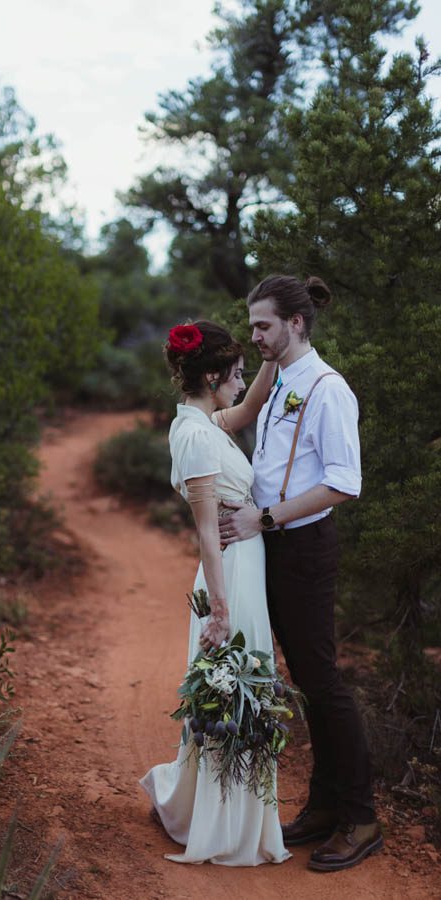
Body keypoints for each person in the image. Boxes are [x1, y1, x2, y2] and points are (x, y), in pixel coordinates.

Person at [218, 274, 383, 873]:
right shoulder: (282, 373)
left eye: (264, 325)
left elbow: (344, 483)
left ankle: (361, 818)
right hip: (276, 546)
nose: (254, 335)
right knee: (309, 682)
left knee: (325, 683)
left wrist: (262, 517)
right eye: (252, 324)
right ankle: (323, 805)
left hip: (304, 545)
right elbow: (240, 415)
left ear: (296, 322)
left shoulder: (328, 389)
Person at [139, 320, 290, 866]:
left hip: (245, 565)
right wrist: (220, 612)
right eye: (235, 372)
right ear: (210, 375)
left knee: (244, 691)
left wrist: (272, 355)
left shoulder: (204, 419)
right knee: (233, 693)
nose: (240, 378)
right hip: (229, 573)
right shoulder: (197, 435)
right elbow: (205, 529)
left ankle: (230, 815)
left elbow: (249, 407)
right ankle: (219, 824)